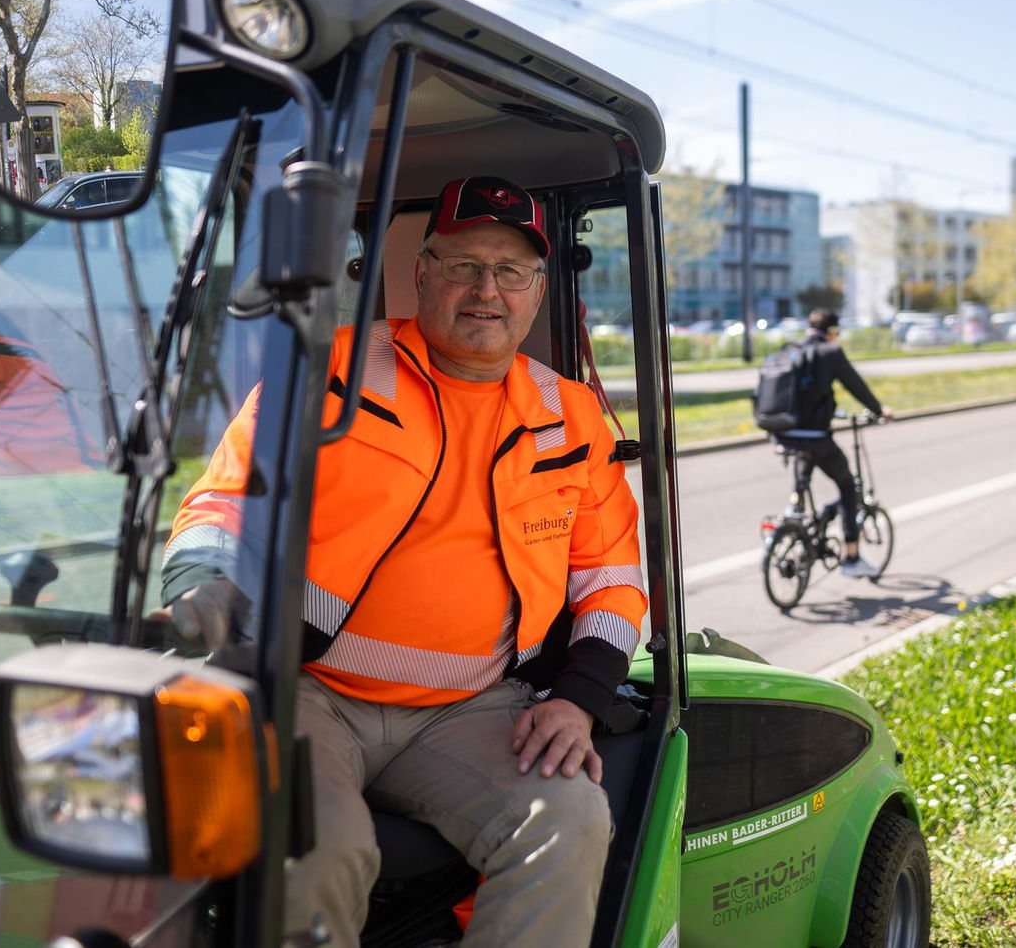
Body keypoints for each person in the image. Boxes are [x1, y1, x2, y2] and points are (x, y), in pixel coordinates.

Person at [154, 175, 647, 948]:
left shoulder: (570, 415)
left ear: (538, 290)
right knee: (313, 844)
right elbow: (223, 504)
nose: (487, 290)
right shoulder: (329, 373)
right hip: (311, 691)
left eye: (511, 271)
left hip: (474, 708)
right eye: (463, 265)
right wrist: (199, 585)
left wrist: (578, 698)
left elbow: (613, 579)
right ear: (421, 274)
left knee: (570, 816)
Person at [773, 307, 893, 577]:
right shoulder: (830, 352)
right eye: (836, 333)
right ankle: (852, 557)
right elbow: (855, 384)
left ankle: (795, 509)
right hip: (816, 437)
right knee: (848, 486)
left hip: (785, 434)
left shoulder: (789, 350)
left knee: (805, 465)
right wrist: (878, 410)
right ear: (832, 331)